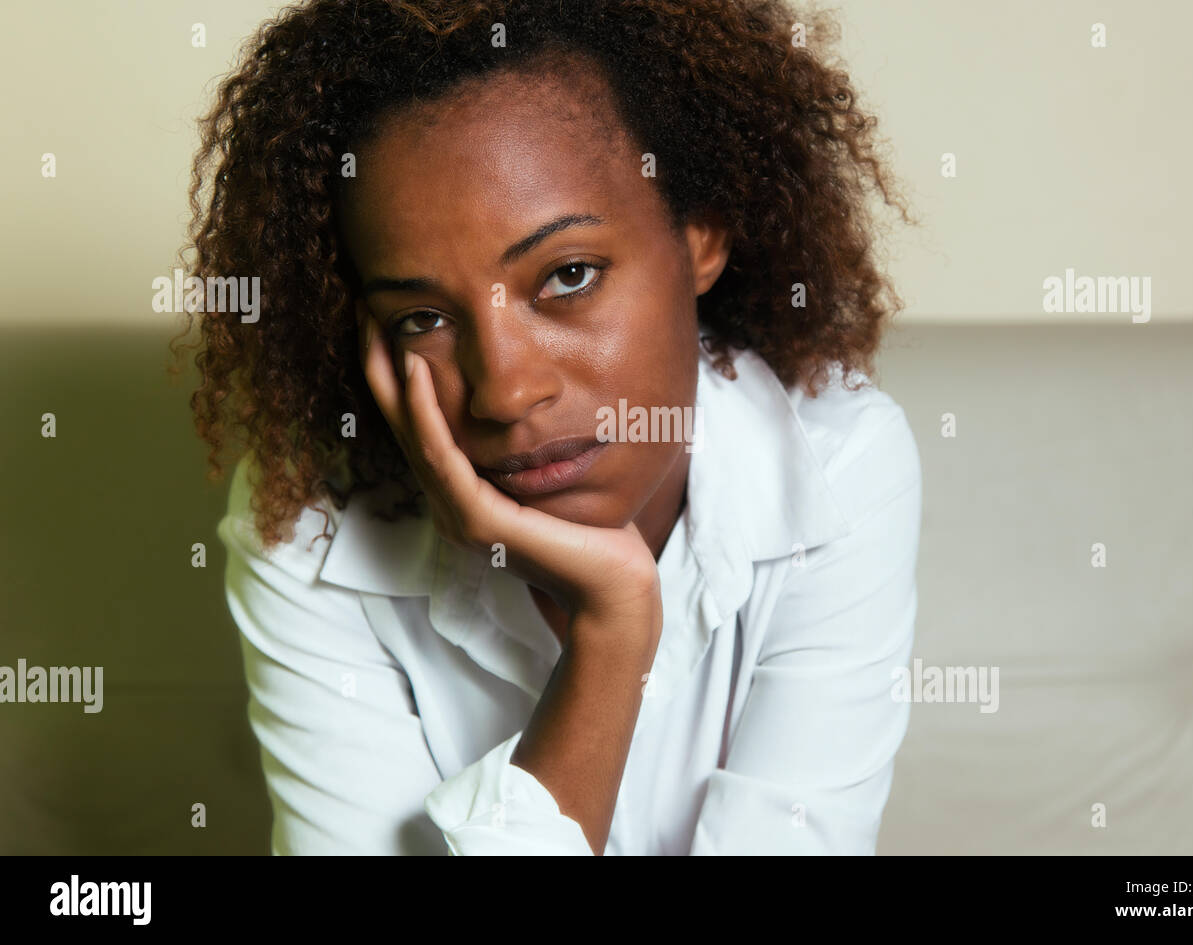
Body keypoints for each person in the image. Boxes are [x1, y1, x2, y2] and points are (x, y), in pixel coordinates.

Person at [175, 0, 922, 855]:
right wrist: (611, 633)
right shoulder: (309, 535)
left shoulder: (834, 468)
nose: (505, 390)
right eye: (423, 316)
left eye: (568, 274)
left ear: (701, 231)